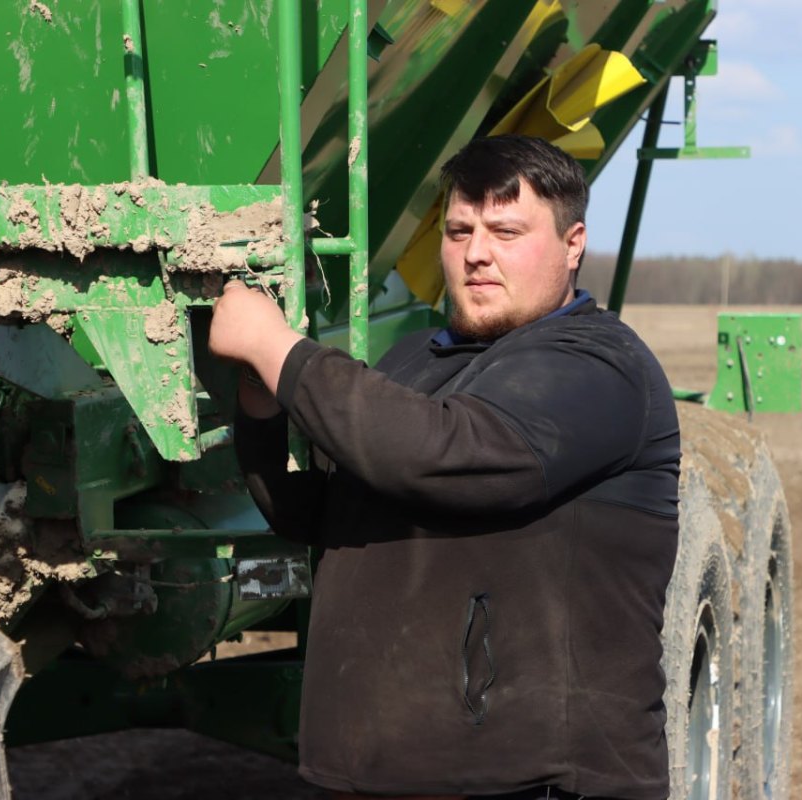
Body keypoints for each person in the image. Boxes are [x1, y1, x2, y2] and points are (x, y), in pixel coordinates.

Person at [208, 135, 681, 800]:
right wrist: (260, 398)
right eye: (459, 231)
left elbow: (445, 455)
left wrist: (278, 348)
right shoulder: (413, 360)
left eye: (506, 232)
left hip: (534, 784)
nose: (476, 253)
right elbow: (313, 513)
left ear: (573, 243)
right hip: (373, 777)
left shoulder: (600, 365)